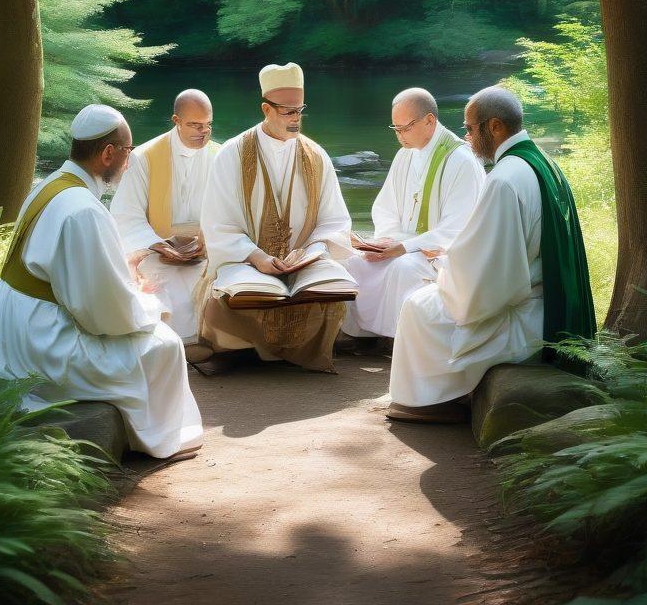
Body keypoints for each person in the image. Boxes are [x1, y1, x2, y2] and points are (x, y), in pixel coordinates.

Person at [0, 104, 203, 460]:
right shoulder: (82, 210)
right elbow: (104, 317)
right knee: (165, 345)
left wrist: (122, 276)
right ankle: (160, 441)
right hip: (41, 349)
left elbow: (67, 276)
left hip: (11, 332)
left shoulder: (49, 185)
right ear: (108, 154)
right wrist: (151, 305)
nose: (129, 161)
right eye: (127, 152)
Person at [388, 85, 596, 423]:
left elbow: (487, 278)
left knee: (418, 307)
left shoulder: (503, 180)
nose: (466, 136)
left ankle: (431, 401)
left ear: (495, 126)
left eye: (470, 127)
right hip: (551, 302)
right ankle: (443, 393)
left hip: (528, 316)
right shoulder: (543, 163)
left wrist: (445, 265)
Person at [200, 62, 355, 372]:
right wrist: (256, 257)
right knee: (237, 291)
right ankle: (243, 351)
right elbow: (217, 225)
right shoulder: (232, 154)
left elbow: (335, 222)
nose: (296, 118)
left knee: (331, 283)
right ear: (266, 109)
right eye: (287, 111)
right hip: (248, 262)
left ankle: (302, 350)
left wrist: (313, 252)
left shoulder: (316, 156)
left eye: (300, 110)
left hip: (302, 265)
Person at [342, 87, 485, 340]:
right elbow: (385, 208)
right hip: (402, 244)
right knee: (355, 263)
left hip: (439, 253)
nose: (399, 136)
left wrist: (405, 246)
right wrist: (386, 241)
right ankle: (365, 336)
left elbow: (458, 228)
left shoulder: (461, 160)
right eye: (395, 129)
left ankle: (401, 341)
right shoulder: (404, 156)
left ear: (430, 120)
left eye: (405, 128)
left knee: (403, 268)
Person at [110, 89, 219, 344]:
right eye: (194, 124)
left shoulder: (221, 156)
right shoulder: (143, 157)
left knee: (215, 285)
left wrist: (210, 237)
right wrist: (159, 244)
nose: (202, 132)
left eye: (207, 125)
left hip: (206, 251)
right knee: (170, 290)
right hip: (157, 250)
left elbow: (231, 212)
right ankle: (178, 345)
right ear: (176, 121)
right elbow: (126, 215)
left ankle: (211, 343)